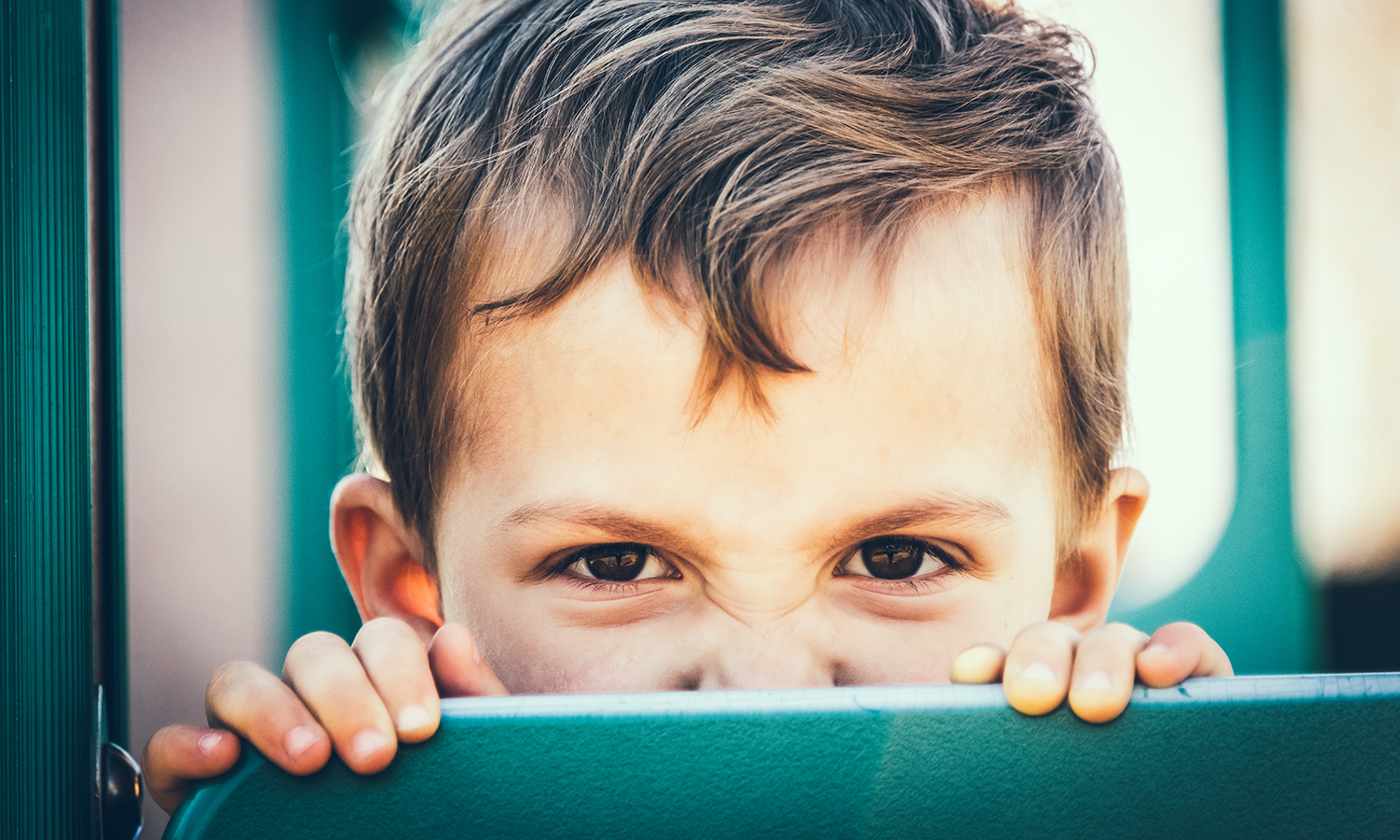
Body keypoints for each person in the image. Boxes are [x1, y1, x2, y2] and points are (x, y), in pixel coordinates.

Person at [144, 0, 1232, 813]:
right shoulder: (362, 804)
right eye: (616, 563)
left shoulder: (1099, 805)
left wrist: (1199, 793)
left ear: (1072, 578)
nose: (768, 692)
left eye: (896, 558)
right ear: (408, 585)